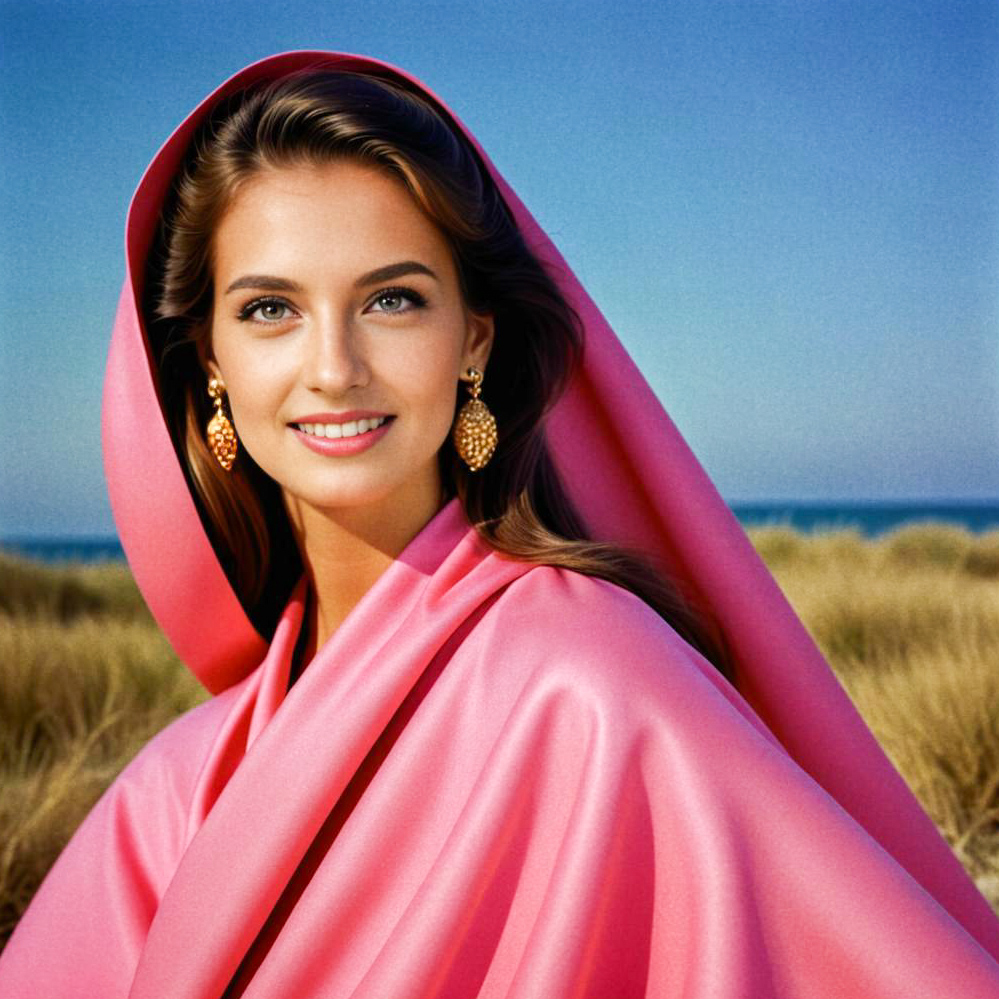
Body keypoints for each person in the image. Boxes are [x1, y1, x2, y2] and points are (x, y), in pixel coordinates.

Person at [1, 49, 997, 998]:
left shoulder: (596, 688)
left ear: (472, 334)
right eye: (270, 310)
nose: (335, 367)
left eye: (392, 299)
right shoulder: (174, 792)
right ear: (209, 360)